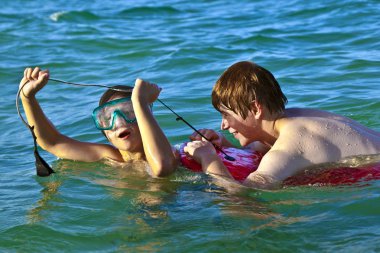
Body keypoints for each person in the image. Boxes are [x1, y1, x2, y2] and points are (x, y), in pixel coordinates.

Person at [184, 61, 380, 189]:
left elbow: (244, 196)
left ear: (255, 108)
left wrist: (210, 160)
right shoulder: (295, 118)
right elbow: (269, 147)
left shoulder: (288, 147)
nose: (223, 125)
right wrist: (224, 146)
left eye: (226, 115)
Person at [19, 67, 178, 177]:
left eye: (129, 111)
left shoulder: (174, 153)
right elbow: (52, 143)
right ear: (105, 133)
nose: (119, 122)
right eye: (107, 118)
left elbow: (162, 168)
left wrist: (140, 101)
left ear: (145, 117)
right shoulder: (110, 157)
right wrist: (27, 98)